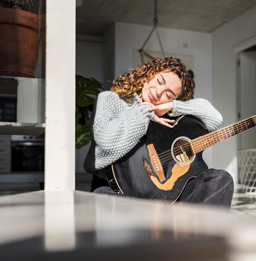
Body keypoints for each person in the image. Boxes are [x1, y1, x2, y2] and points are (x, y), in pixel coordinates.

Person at [84, 57, 233, 208]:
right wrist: (145, 112)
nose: (159, 92)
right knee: (103, 198)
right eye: (160, 81)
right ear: (149, 73)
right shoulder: (110, 99)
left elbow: (215, 118)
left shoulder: (166, 114)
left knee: (220, 179)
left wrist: (172, 106)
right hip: (118, 190)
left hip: (165, 193)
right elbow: (106, 141)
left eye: (169, 94)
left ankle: (195, 229)